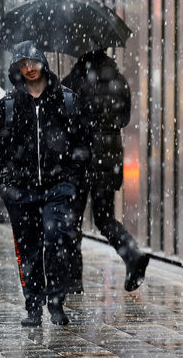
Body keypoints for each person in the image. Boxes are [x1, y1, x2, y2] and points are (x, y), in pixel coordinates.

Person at [0, 41, 90, 326]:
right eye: (23, 64)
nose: (29, 69)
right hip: (21, 191)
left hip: (59, 188)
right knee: (29, 247)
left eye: (33, 62)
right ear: (17, 69)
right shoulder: (7, 106)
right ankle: (33, 305)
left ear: (43, 64)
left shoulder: (66, 100)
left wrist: (71, 180)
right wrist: (7, 186)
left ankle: (56, 302)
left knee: (56, 238)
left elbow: (83, 145)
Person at [62, 49, 150, 293]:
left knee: (72, 221)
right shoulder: (119, 80)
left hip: (81, 158)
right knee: (104, 217)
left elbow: (65, 119)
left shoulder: (75, 80)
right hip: (110, 157)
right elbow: (124, 119)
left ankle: (73, 281)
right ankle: (132, 254)